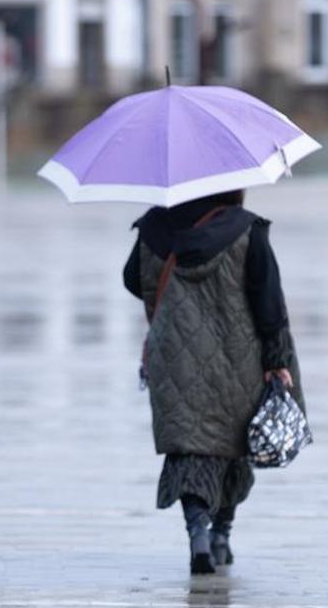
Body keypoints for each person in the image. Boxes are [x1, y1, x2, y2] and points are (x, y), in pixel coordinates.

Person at [122, 190, 303, 575]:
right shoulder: (246, 229)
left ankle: (197, 535)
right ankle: (222, 534)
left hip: (175, 357)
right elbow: (269, 300)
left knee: (189, 446)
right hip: (238, 356)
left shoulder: (153, 227)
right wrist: (276, 361)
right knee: (231, 445)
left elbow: (131, 280)